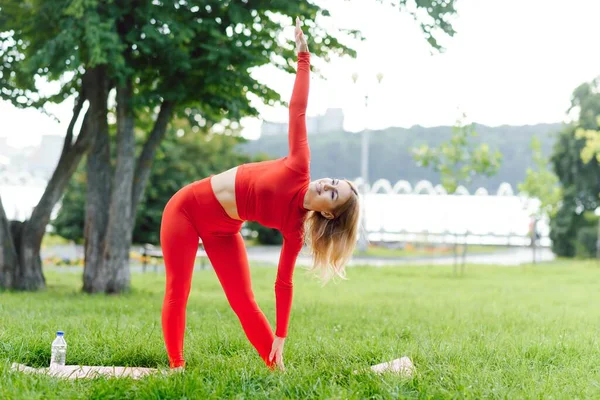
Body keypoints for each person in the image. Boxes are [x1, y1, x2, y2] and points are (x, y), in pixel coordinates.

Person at [160, 17, 360, 372]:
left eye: (332, 194)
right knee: (180, 289)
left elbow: (283, 283)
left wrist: (281, 334)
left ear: (329, 213)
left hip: (224, 230)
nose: (325, 185)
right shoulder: (299, 166)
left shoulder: (295, 229)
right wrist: (303, 58)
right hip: (186, 210)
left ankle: (278, 374)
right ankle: (177, 368)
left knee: (244, 302)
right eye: (332, 181)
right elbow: (297, 110)